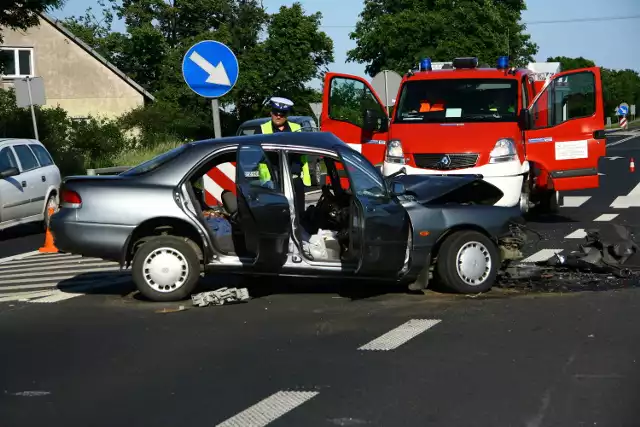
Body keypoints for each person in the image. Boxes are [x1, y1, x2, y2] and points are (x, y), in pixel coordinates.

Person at [257, 97, 312, 187]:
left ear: (287, 115)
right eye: (275, 113)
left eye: (282, 114)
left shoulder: (296, 129)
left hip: (294, 178)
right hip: (271, 181)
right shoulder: (262, 129)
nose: (278, 116)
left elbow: (302, 154)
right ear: (271, 113)